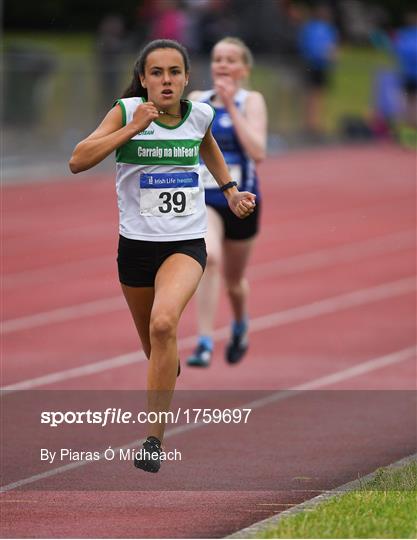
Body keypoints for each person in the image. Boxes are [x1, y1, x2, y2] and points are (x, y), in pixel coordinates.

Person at [69, 39, 256, 473]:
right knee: (158, 353)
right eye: (157, 73)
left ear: (186, 79)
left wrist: (228, 191)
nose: (166, 80)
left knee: (164, 323)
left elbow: (207, 143)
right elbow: (78, 160)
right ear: (143, 79)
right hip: (134, 249)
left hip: (185, 244)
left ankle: (153, 440)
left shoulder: (199, 114)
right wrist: (131, 128)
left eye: (174, 72)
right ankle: (165, 366)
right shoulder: (122, 112)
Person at [186, 37, 267, 368]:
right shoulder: (196, 100)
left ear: (244, 69)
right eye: (218, 59)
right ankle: (204, 341)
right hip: (206, 198)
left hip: (243, 201)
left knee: (234, 282)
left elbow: (258, 152)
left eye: (231, 60)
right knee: (210, 258)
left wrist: (232, 106)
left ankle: (240, 324)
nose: (222, 65)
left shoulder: (252, 101)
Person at [297, 4, 338, 135]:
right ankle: (312, 124)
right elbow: (330, 49)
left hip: (314, 65)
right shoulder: (324, 29)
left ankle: (313, 123)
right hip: (317, 65)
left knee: (314, 95)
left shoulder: (311, 28)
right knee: (315, 95)